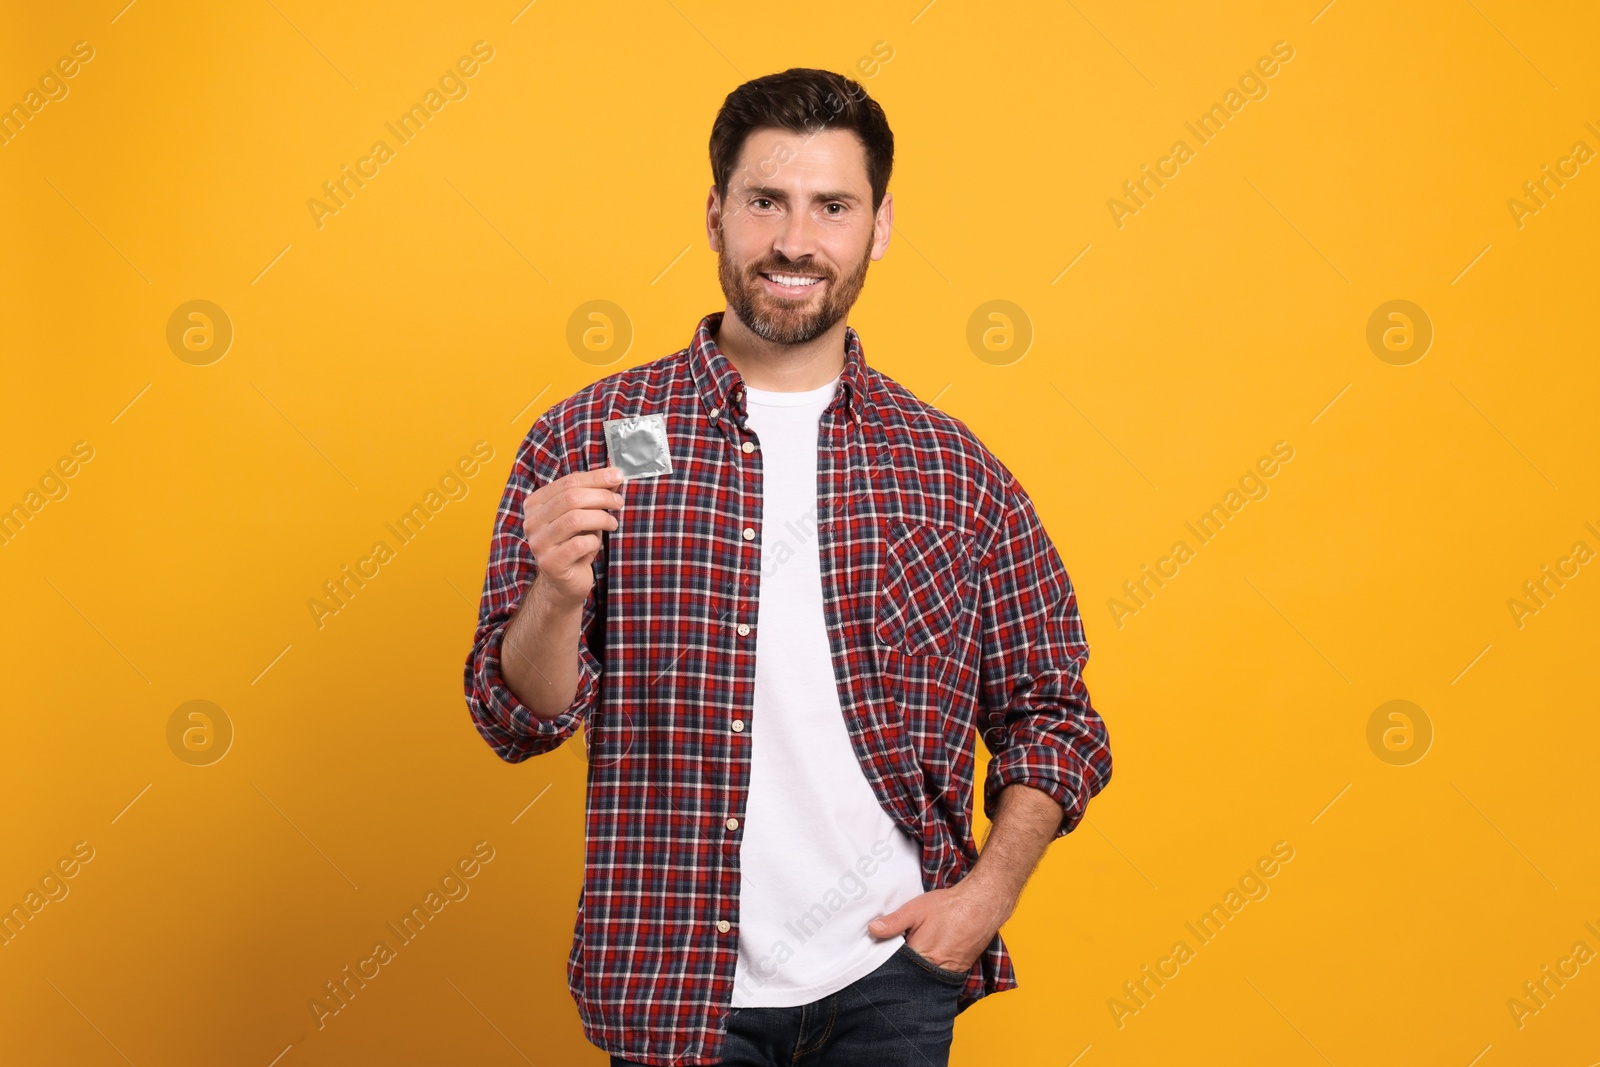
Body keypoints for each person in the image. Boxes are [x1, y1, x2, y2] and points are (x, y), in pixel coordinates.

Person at [463, 66, 1112, 1067]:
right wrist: (554, 593)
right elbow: (517, 717)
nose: (796, 242)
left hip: (889, 980)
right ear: (717, 212)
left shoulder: (948, 468)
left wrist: (986, 895)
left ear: (878, 225)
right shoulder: (597, 434)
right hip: (673, 979)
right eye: (766, 201)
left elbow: (1054, 712)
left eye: (832, 206)